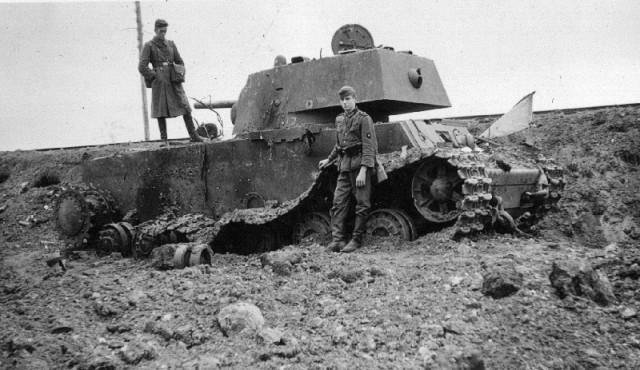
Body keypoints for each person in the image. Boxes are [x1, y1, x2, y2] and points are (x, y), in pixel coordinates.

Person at [318, 86, 378, 253]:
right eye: (342, 100)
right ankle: (338, 240)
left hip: (359, 166)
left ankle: (356, 239)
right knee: (338, 202)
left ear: (354, 99)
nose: (345, 103)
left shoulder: (364, 119)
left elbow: (369, 147)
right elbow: (340, 145)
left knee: (362, 204)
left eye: (348, 99)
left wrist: (364, 170)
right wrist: (329, 159)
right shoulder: (340, 120)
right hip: (344, 166)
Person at [138, 19, 202, 146]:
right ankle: (164, 140)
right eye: (160, 31)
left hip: (173, 80)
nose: (163, 34)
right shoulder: (149, 46)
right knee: (160, 110)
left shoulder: (171, 45)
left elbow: (180, 62)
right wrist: (155, 75)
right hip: (160, 81)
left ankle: (194, 136)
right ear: (155, 30)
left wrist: (177, 71)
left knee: (185, 106)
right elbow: (142, 66)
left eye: (165, 31)